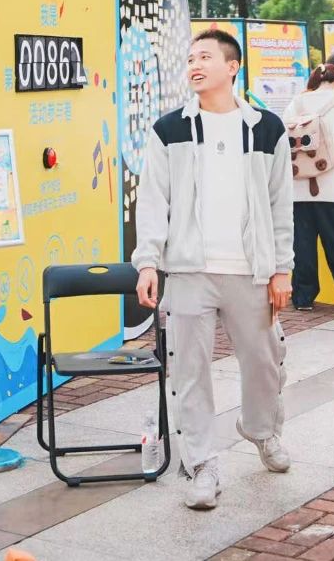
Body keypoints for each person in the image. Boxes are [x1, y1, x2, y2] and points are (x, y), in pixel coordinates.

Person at [133, 29, 295, 511]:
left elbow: (281, 203)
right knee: (189, 370)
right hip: (189, 271)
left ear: (232, 66)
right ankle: (202, 464)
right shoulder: (169, 129)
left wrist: (281, 269)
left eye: (204, 57)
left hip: (251, 271)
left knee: (264, 361)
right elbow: (153, 200)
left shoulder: (267, 128)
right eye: (190, 59)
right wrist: (148, 261)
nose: (195, 65)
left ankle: (260, 430)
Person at [283, 64, 334, 311]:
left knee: (302, 245)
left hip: (297, 188)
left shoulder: (296, 103)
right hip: (331, 188)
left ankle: (303, 297)